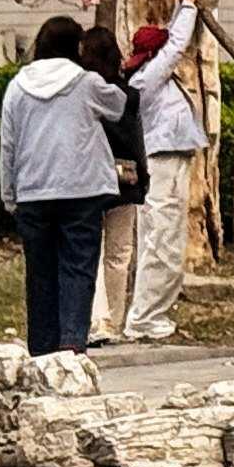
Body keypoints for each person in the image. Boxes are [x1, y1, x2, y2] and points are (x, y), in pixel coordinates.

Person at [0, 17, 132, 356]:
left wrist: (8, 192)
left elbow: (8, 144)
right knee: (78, 268)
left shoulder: (18, 86)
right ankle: (72, 345)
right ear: (77, 48)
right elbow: (119, 104)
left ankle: (42, 350)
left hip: (33, 191)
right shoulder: (85, 83)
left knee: (40, 273)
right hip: (82, 190)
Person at [115, 0, 206, 344]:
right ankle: (143, 318)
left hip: (171, 158)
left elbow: (168, 44)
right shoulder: (146, 78)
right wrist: (188, 4)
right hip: (161, 161)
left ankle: (151, 314)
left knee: (166, 239)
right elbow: (174, 46)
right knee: (161, 240)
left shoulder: (151, 75)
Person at [81, 22, 148, 343]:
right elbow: (137, 142)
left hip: (91, 180)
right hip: (126, 178)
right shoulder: (129, 95)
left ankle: (98, 320)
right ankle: (117, 321)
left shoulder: (84, 94)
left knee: (90, 251)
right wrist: (142, 179)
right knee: (120, 254)